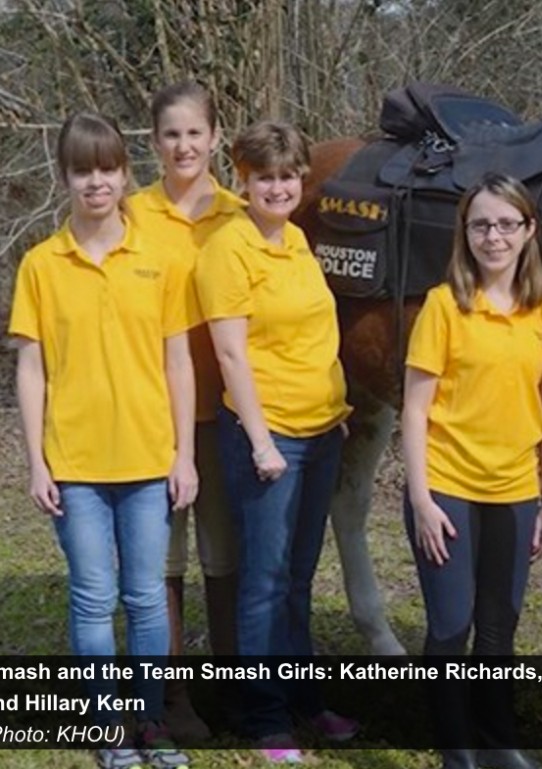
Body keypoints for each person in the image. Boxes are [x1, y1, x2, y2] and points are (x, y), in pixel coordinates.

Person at [9, 111, 196, 769]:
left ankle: (151, 724)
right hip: (75, 465)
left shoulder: (160, 258)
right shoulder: (40, 265)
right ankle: (107, 729)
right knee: (93, 598)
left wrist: (185, 455)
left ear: (124, 173)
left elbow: (180, 361)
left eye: (108, 168)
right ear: (65, 177)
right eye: (83, 170)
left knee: (146, 597)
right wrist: (35, 462)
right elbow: (29, 369)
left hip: (149, 460)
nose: (96, 182)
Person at [194, 119, 359, 764]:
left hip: (322, 429)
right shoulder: (227, 249)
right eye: (266, 176)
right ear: (244, 177)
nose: (279, 186)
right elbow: (232, 355)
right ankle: (263, 716)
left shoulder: (295, 241)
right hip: (269, 436)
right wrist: (262, 442)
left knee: (297, 576)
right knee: (262, 580)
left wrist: (336, 405)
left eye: (290, 175)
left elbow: (312, 337)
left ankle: (304, 697)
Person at [401, 173, 542, 769]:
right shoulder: (444, 306)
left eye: (506, 224)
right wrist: (420, 498)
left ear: (528, 231)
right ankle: (456, 751)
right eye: (481, 225)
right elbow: (415, 408)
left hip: (516, 492)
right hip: (446, 488)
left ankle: (499, 745)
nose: (493, 236)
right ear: (464, 233)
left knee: (499, 629)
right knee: (451, 627)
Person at [127, 81, 244, 741]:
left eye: (195, 132)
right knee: (162, 558)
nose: (184, 145)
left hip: (223, 414)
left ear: (215, 137)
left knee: (224, 554)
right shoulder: (129, 212)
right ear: (154, 141)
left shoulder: (238, 212)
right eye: (171, 134)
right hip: (153, 414)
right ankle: (173, 696)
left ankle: (228, 688)